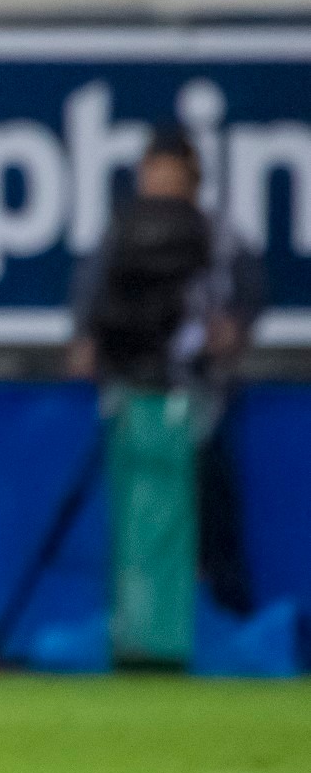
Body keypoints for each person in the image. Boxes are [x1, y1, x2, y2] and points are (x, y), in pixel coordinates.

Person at [68, 126, 265, 619]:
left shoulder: (217, 238)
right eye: (156, 176)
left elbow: (250, 294)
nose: (164, 188)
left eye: (174, 178)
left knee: (212, 516)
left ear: (194, 181)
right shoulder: (121, 236)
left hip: (201, 399)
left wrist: (233, 328)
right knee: (137, 517)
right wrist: (87, 341)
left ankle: (226, 623)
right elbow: (90, 304)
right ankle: (136, 624)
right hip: (134, 398)